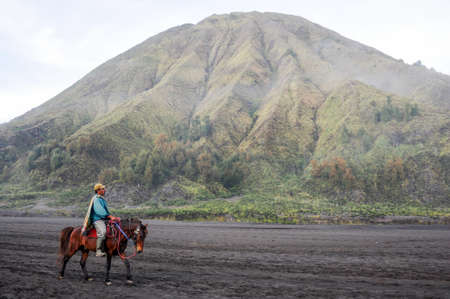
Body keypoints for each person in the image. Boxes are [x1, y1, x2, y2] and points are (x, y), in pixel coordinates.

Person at [88, 183, 119, 257]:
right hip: (98, 219)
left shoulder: (101, 198)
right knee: (103, 232)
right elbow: (99, 211)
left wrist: (111, 217)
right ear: (98, 190)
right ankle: (98, 251)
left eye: (104, 189)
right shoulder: (97, 199)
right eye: (103, 189)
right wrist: (109, 216)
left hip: (103, 218)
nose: (104, 190)